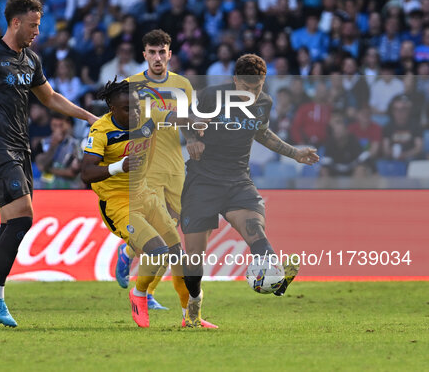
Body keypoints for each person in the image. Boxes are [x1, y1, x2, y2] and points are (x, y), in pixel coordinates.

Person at [0, 0, 97, 328]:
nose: (36, 32)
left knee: (10, 224)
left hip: (21, 149)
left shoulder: (31, 60)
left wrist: (89, 116)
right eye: (33, 25)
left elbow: (51, 97)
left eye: (39, 26)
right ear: (16, 22)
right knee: (22, 219)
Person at [180, 54, 319, 327]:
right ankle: (194, 304)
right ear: (234, 82)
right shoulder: (212, 96)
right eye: (246, 89)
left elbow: (262, 133)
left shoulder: (264, 103)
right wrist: (194, 138)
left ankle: (273, 278)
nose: (251, 94)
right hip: (202, 181)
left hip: (237, 181)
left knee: (255, 229)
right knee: (195, 257)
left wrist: (294, 153)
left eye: (256, 89)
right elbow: (186, 119)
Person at [80, 78, 216, 329]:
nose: (133, 113)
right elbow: (86, 173)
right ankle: (139, 294)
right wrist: (119, 166)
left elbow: (174, 116)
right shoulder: (101, 130)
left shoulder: (147, 113)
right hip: (119, 204)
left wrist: (193, 121)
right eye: (126, 109)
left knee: (178, 258)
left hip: (146, 195)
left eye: (135, 107)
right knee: (158, 251)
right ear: (112, 108)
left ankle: (191, 317)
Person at [114, 29, 194, 312]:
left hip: (175, 167)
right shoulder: (131, 85)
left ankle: (131, 259)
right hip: (146, 170)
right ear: (144, 55)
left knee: (173, 230)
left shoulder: (182, 84)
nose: (158, 57)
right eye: (152, 52)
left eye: (163, 52)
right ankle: (142, 286)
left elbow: (188, 120)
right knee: (163, 232)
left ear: (170, 54)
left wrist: (195, 139)